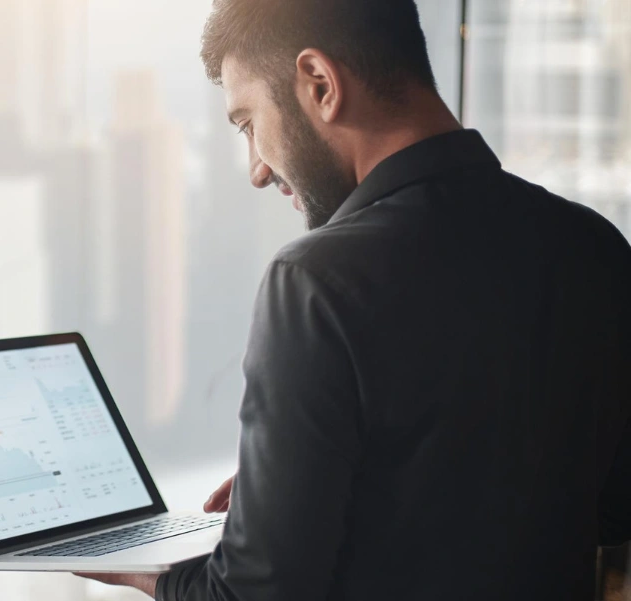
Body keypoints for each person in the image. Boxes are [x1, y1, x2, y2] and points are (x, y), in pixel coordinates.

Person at [77, 0, 631, 598]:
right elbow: (613, 509)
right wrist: (320, 476)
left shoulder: (314, 281)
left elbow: (252, 596)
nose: (257, 169)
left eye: (247, 123)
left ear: (319, 83)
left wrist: (141, 568)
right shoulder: (591, 241)